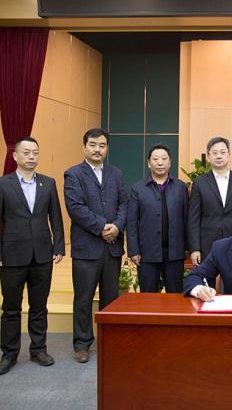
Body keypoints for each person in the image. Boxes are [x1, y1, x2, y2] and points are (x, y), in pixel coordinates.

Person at [0, 137, 65, 375]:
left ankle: (38, 349)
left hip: (42, 255)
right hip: (11, 256)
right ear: (15, 156)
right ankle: (9, 354)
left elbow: (56, 218)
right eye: (27, 152)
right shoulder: (1, 185)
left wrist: (58, 247)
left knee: (39, 306)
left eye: (35, 153)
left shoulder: (48, 183)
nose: (31, 157)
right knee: (11, 307)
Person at [64, 128, 127, 363]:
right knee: (83, 298)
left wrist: (117, 226)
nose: (97, 149)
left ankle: (109, 340)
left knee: (110, 297)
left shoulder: (116, 174)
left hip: (112, 247)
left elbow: (124, 204)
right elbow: (75, 208)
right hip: (86, 248)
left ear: (107, 148)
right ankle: (82, 344)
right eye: (93, 145)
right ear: (84, 147)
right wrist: (102, 227)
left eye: (102, 145)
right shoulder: (73, 174)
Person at [187, 137, 232, 286]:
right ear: (209, 156)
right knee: (206, 286)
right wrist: (194, 248)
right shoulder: (199, 183)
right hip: (207, 244)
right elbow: (193, 218)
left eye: (222, 152)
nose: (219, 156)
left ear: (229, 155)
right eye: (214, 153)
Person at [126, 144, 189, 293]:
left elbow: (187, 219)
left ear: (170, 162)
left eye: (164, 159)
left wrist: (188, 247)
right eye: (155, 159)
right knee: (148, 297)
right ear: (149, 163)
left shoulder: (180, 187)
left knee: (175, 296)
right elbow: (131, 223)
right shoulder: (138, 189)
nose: (160, 163)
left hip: (175, 253)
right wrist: (134, 251)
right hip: (147, 253)